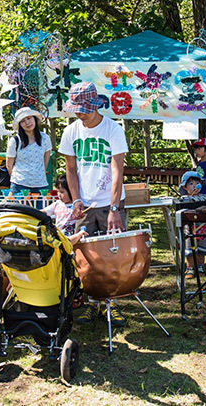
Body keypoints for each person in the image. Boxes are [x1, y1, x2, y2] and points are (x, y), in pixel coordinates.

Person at [59, 82, 128, 326]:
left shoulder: (112, 130)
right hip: (85, 204)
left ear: (95, 107)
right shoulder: (71, 132)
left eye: (84, 111)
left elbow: (117, 169)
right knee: (86, 258)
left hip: (109, 202)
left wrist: (113, 208)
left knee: (112, 254)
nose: (80, 116)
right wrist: (75, 199)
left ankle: (114, 304)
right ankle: (91, 303)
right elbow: (70, 169)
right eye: (76, 111)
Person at [6, 107, 52, 200]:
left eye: (29, 118)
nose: (27, 123)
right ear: (19, 124)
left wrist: (38, 174)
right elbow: (9, 165)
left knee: (40, 213)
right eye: (23, 121)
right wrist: (19, 178)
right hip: (19, 184)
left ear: (34, 118)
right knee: (20, 214)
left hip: (40, 184)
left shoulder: (45, 138)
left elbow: (45, 161)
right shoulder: (15, 140)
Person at [42, 174, 88, 246]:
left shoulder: (79, 206)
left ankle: (79, 235)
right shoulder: (57, 204)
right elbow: (43, 212)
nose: (59, 195)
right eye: (57, 191)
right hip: (59, 236)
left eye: (62, 192)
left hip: (73, 237)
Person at [179, 171, 206, 279]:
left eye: (197, 183)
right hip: (189, 228)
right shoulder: (183, 199)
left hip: (202, 227)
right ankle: (190, 267)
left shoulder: (204, 198)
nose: (195, 186)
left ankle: (201, 266)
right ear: (185, 187)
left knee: (202, 249)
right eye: (191, 184)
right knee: (189, 250)